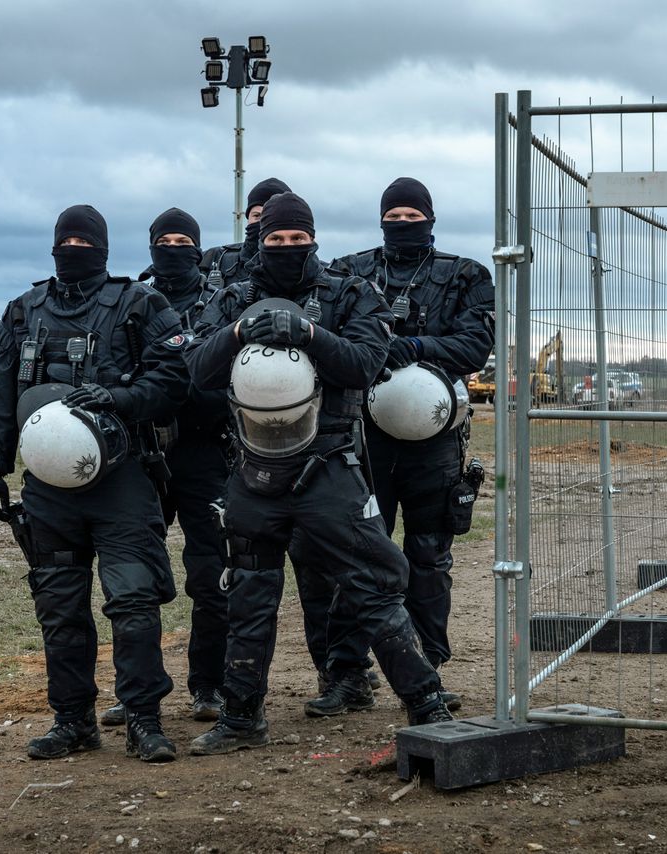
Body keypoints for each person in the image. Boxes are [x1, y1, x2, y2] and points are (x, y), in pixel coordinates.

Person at [183, 191, 453, 755]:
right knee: (250, 594)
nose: (286, 248)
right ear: (262, 240)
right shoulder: (233, 297)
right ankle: (240, 716)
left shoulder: (350, 294)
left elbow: (364, 364)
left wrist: (308, 333)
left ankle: (425, 699)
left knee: (374, 585)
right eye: (276, 239)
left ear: (313, 239)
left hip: (328, 467)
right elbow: (195, 371)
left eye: (296, 239)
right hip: (254, 472)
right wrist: (239, 332)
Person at [0, 204, 190, 763]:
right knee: (60, 609)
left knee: (134, 602)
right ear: (53, 247)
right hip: (48, 489)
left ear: (103, 249)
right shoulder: (24, 312)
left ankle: (144, 720)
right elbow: (0, 397)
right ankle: (72, 721)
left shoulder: (141, 305)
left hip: (124, 483)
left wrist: (118, 399)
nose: (74, 251)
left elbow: (174, 382)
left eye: (83, 243)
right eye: (65, 242)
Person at [299, 177, 494, 717]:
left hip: (435, 439)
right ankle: (346, 675)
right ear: (380, 218)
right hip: (360, 438)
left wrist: (410, 346)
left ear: (430, 218)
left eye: (413, 215)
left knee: (428, 556)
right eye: (394, 215)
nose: (402, 224)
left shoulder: (466, 275)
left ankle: (426, 672)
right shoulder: (348, 272)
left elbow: (476, 344)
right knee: (356, 558)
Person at [99, 207, 230, 728]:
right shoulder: (131, 302)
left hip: (206, 452)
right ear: (151, 245)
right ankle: (137, 691)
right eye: (164, 239)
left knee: (212, 574)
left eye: (183, 240)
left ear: (198, 247)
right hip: (143, 451)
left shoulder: (222, 302)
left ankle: (209, 685)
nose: (173, 248)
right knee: (136, 578)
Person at [199, 177, 292, 289]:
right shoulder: (214, 259)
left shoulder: (307, 266)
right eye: (257, 216)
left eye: (272, 216)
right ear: (248, 218)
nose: (263, 223)